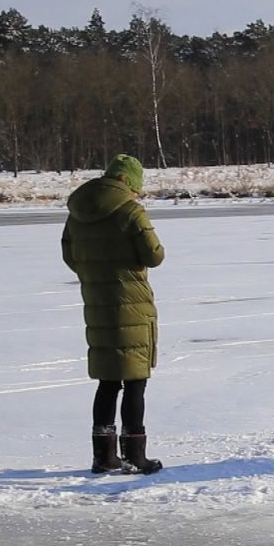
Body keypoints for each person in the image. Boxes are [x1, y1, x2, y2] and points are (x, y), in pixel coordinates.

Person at [62, 154, 165, 475]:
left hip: (96, 301)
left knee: (108, 382)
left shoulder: (76, 214)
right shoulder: (132, 212)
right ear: (127, 182)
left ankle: (103, 456)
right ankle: (135, 454)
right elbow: (155, 255)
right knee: (135, 380)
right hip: (131, 302)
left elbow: (70, 255)